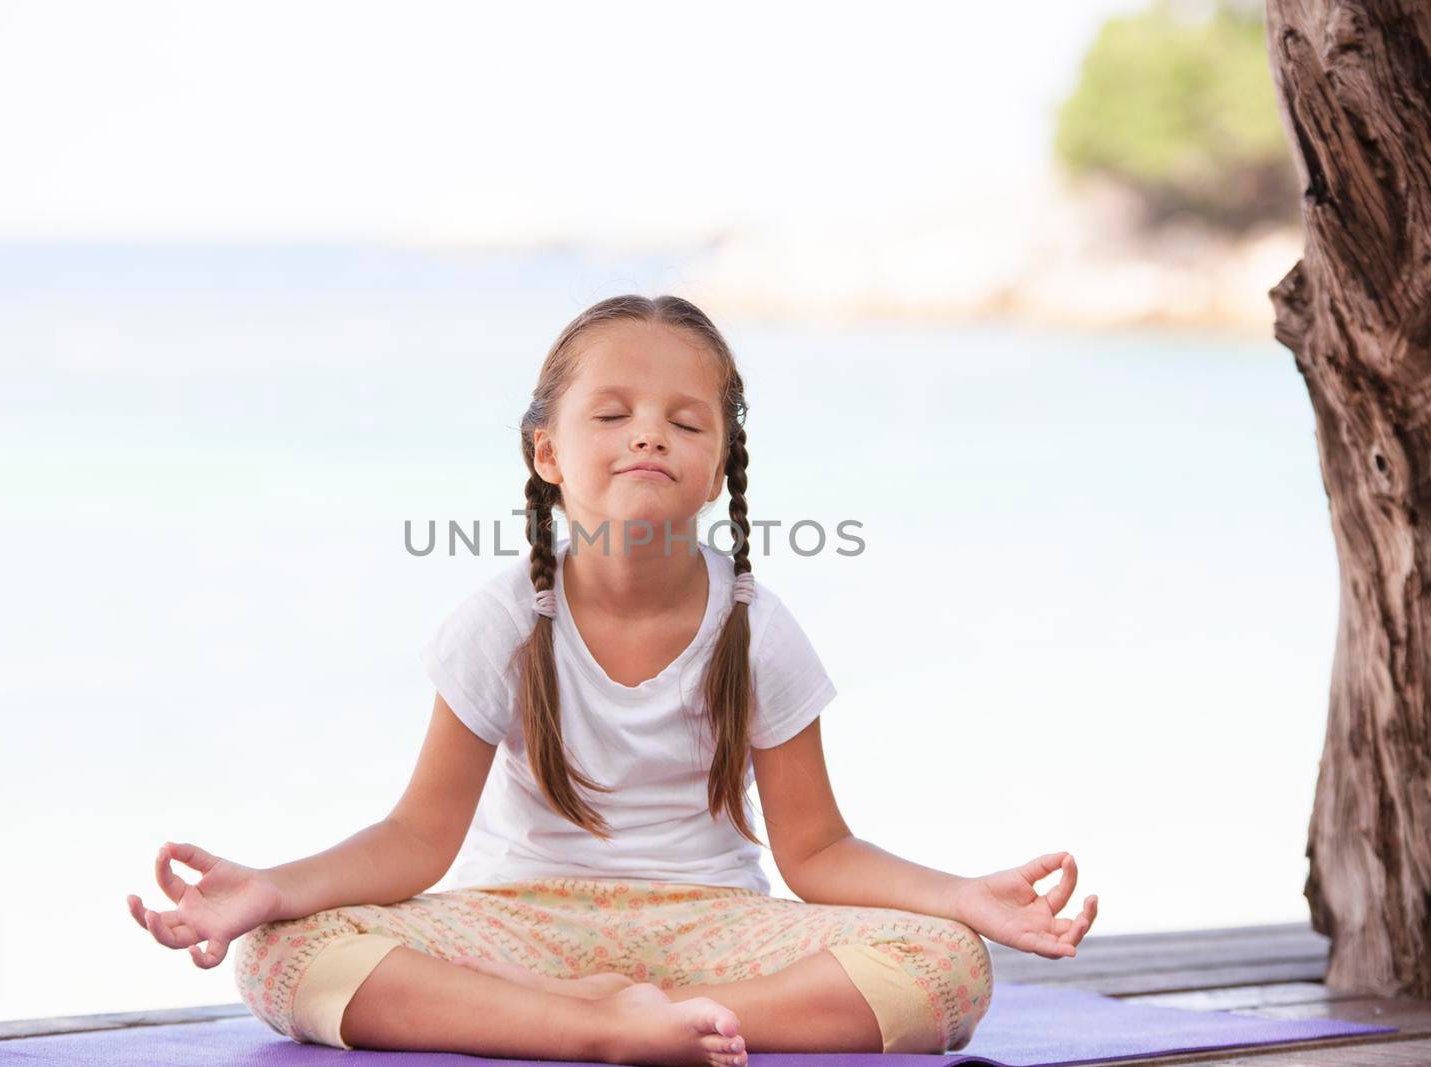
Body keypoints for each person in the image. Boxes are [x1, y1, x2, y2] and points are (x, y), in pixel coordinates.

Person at [126, 294, 1099, 1065]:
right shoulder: (504, 619)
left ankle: (644, 1018)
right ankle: (588, 1027)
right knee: (283, 952)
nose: (648, 434)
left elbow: (818, 849)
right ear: (547, 452)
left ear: (719, 465)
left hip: (714, 923)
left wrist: (961, 895)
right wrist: (269, 886)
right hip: (517, 916)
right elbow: (417, 837)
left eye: (685, 420)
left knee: (945, 970)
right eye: (612, 412)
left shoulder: (755, 624)